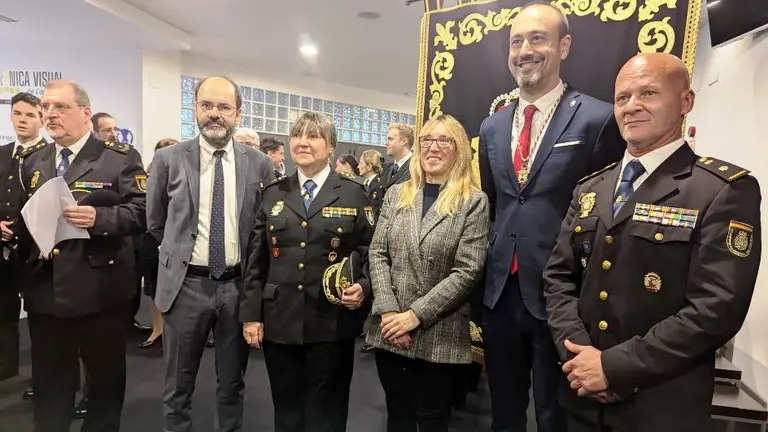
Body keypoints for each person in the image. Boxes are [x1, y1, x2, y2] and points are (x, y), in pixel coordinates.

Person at [543, 52, 761, 432]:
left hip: (659, 406)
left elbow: (716, 309)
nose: (632, 107)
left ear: (685, 102)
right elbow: (558, 278)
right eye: (623, 97)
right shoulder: (592, 187)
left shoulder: (721, 190)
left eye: (648, 93)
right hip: (580, 399)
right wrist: (578, 356)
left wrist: (613, 369)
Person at [478, 3, 625, 431]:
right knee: (502, 411)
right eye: (516, 41)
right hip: (500, 293)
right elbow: (495, 204)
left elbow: (607, 217)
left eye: (537, 38)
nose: (525, 50)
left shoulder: (598, 118)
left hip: (563, 297)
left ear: (564, 46)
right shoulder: (492, 127)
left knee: (554, 415)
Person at [146, 76, 274, 432]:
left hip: (237, 288)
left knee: (233, 384)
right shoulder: (168, 159)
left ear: (237, 113)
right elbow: (156, 222)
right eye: (207, 106)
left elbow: (261, 229)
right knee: (177, 387)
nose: (214, 114)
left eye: (223, 107)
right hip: (185, 286)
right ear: (196, 109)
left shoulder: (259, 164)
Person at [19, 79, 146, 432]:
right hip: (46, 291)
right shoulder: (35, 160)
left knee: (104, 384)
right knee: (49, 385)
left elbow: (144, 211)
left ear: (85, 113)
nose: (50, 114)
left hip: (99, 289)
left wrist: (99, 218)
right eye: (46, 107)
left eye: (60, 107)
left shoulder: (117, 158)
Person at [240, 111, 374, 432]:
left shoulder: (353, 193)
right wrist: (251, 315)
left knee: (328, 410)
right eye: (297, 135)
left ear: (330, 146)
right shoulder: (273, 192)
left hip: (331, 321)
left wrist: (364, 287)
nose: (302, 142)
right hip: (280, 319)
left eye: (312, 136)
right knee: (286, 408)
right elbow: (256, 258)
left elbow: (370, 251)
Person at [365, 114, 490, 432]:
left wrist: (414, 316)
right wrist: (391, 311)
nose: (433, 147)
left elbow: (468, 271)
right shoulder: (397, 194)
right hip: (390, 329)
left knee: (432, 419)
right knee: (398, 415)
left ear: (458, 148)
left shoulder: (473, 201)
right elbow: (378, 254)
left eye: (443, 140)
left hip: (439, 332)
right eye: (427, 140)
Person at [0, 92, 45, 400]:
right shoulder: (2, 153)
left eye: (30, 114)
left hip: (36, 251)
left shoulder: (51, 155)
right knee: (3, 314)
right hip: (3, 252)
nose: (23, 119)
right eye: (18, 113)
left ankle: (43, 378)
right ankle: (5, 371)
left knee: (42, 320)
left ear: (41, 119)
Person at [137, 138, 179, 349]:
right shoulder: (148, 175)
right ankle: (157, 330)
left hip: (180, 242)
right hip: (154, 241)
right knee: (155, 289)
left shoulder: (187, 173)